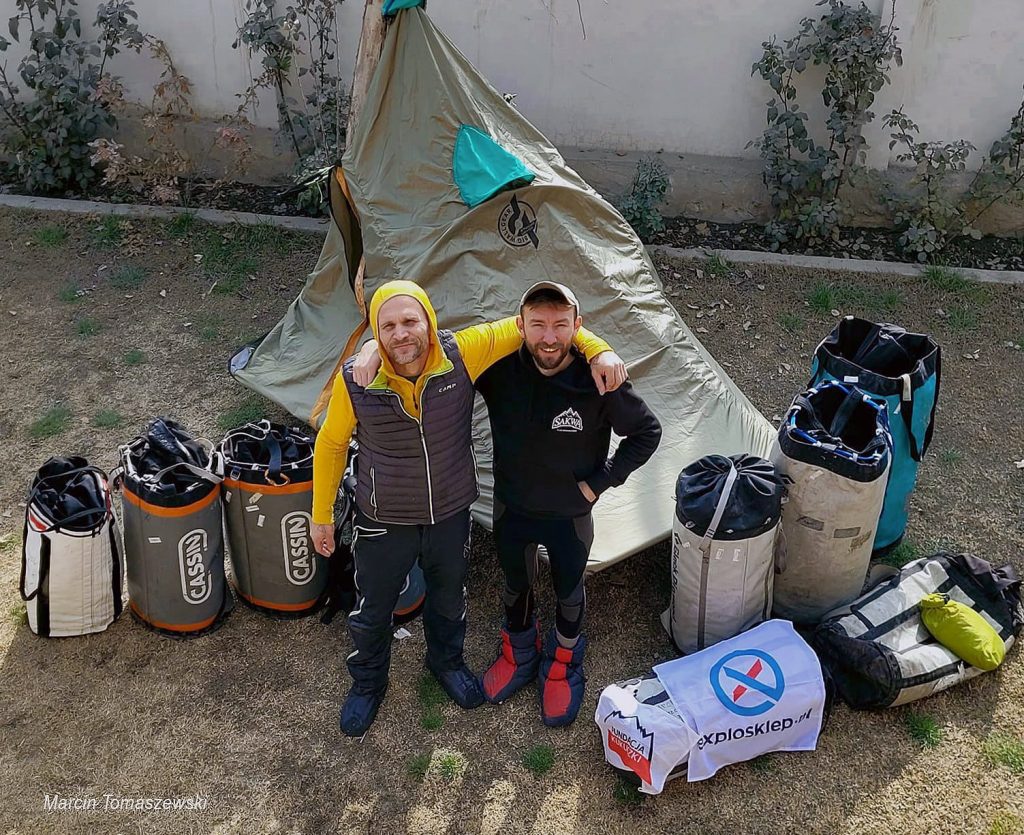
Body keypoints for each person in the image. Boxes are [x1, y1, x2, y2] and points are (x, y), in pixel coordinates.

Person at [311, 279, 626, 737]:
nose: (402, 334)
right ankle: (367, 684)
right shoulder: (358, 380)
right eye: (389, 326)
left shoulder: (462, 354)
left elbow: (538, 327)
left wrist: (598, 350)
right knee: (373, 606)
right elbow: (332, 441)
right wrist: (322, 515)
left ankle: (447, 664)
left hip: (449, 511)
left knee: (448, 598)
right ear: (376, 333)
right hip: (383, 515)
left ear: (429, 323)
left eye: (410, 321)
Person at [475, 281, 662, 727]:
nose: (549, 337)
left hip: (570, 514)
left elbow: (646, 433)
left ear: (578, 327)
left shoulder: (597, 376)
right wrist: (371, 352)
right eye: (537, 325)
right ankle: (519, 651)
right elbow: (432, 356)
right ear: (519, 326)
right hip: (513, 508)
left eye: (561, 325)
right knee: (515, 582)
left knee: (568, 590)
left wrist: (601, 483)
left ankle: (563, 662)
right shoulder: (496, 368)